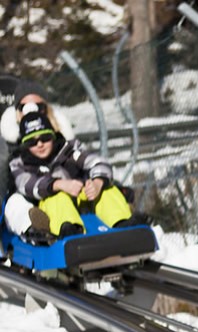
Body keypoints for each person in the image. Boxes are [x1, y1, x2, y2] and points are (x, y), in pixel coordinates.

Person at [9, 108, 137, 238]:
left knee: (107, 189)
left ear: (53, 136)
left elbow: (97, 162)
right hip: (51, 208)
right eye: (32, 142)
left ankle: (123, 224)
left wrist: (97, 183)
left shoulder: (69, 151)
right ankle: (70, 231)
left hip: (82, 200)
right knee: (57, 199)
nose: (40, 144)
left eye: (45, 138)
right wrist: (58, 184)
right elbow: (26, 184)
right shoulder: (20, 164)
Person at [1, 78, 75, 242]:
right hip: (28, 197)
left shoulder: (62, 140)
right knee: (14, 203)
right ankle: (35, 229)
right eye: (24, 107)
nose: (31, 111)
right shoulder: (8, 145)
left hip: (63, 195)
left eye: (38, 106)